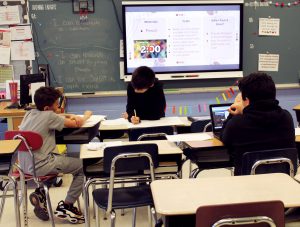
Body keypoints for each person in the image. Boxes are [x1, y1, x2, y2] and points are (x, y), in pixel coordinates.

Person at [18, 86, 92, 224]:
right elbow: (77, 123)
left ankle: (40, 194)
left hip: (25, 166)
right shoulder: (49, 116)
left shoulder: (29, 113)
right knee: (83, 167)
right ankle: (67, 206)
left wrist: (63, 115)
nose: (59, 107)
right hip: (42, 165)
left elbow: (55, 116)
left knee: (57, 163)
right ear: (47, 108)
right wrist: (87, 114)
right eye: (57, 105)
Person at [220, 72, 296, 175]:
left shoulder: (237, 124)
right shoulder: (286, 117)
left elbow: (224, 139)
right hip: (283, 180)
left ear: (246, 100)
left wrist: (233, 114)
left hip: (247, 184)